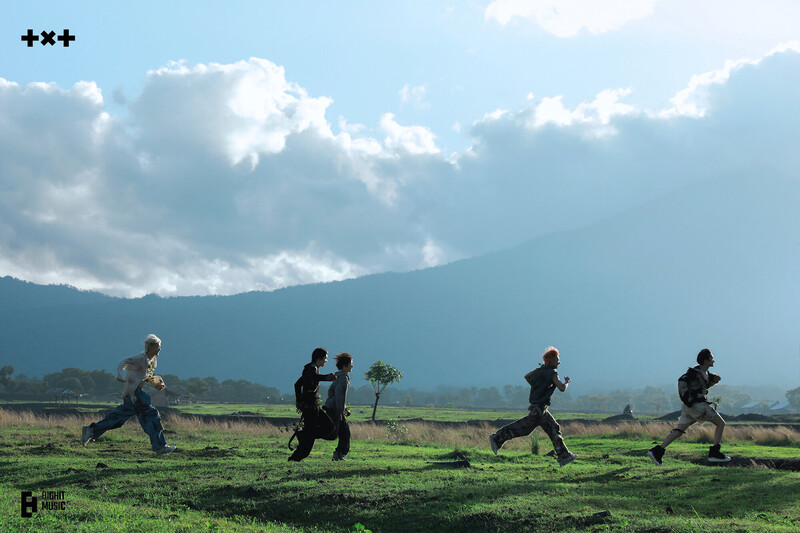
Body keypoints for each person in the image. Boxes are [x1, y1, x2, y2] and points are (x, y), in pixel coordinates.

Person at [81, 334, 175, 455]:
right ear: (150, 347)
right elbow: (123, 361)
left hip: (133, 395)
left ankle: (91, 430)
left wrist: (155, 383)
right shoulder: (141, 358)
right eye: (158, 346)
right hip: (135, 394)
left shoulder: (152, 361)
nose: (160, 349)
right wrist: (119, 374)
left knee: (117, 418)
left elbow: (144, 376)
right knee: (152, 416)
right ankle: (160, 446)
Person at [489, 346, 577, 466]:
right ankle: (496, 438)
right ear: (550, 360)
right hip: (539, 409)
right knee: (524, 427)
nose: (559, 362)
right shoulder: (553, 373)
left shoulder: (538, 370)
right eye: (557, 359)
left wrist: (536, 386)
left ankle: (564, 455)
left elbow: (527, 376)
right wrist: (567, 382)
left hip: (539, 408)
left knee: (553, 428)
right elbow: (561, 388)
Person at [648, 348, 730, 466]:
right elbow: (683, 381)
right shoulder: (694, 373)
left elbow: (700, 387)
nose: (714, 360)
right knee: (721, 423)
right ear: (706, 360)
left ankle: (657, 451)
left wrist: (713, 381)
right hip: (698, 406)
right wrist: (688, 399)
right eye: (711, 358)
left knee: (679, 430)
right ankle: (714, 453)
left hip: (689, 407)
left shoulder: (705, 374)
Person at [288, 347, 337, 461]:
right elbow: (313, 378)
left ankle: (303, 435)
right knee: (310, 439)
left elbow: (297, 385)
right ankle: (295, 458)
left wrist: (299, 401)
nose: (326, 361)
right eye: (325, 358)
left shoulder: (312, 369)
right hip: (311, 408)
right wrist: (327, 378)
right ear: (319, 358)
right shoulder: (311, 369)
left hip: (314, 407)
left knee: (329, 427)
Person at [324, 352, 354, 461]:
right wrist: (341, 411)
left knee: (341, 432)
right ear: (345, 365)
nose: (352, 366)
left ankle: (338, 454)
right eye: (351, 363)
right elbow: (339, 395)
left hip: (333, 408)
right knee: (344, 432)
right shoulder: (343, 378)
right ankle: (338, 454)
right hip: (335, 410)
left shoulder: (339, 376)